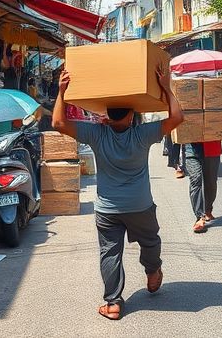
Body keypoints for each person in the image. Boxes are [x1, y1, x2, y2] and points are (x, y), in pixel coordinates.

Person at [52, 68, 184, 321]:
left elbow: (58, 123)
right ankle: (153, 270)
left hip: (107, 210)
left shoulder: (96, 134)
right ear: (132, 114)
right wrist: (166, 87)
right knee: (150, 241)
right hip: (140, 205)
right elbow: (177, 117)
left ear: (106, 115)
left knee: (110, 252)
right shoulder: (142, 134)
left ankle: (113, 304)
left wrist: (61, 91)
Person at [185, 140, 222, 233]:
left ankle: (208, 209)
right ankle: (200, 217)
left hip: (212, 145)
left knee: (211, 182)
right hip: (191, 146)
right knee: (195, 178)